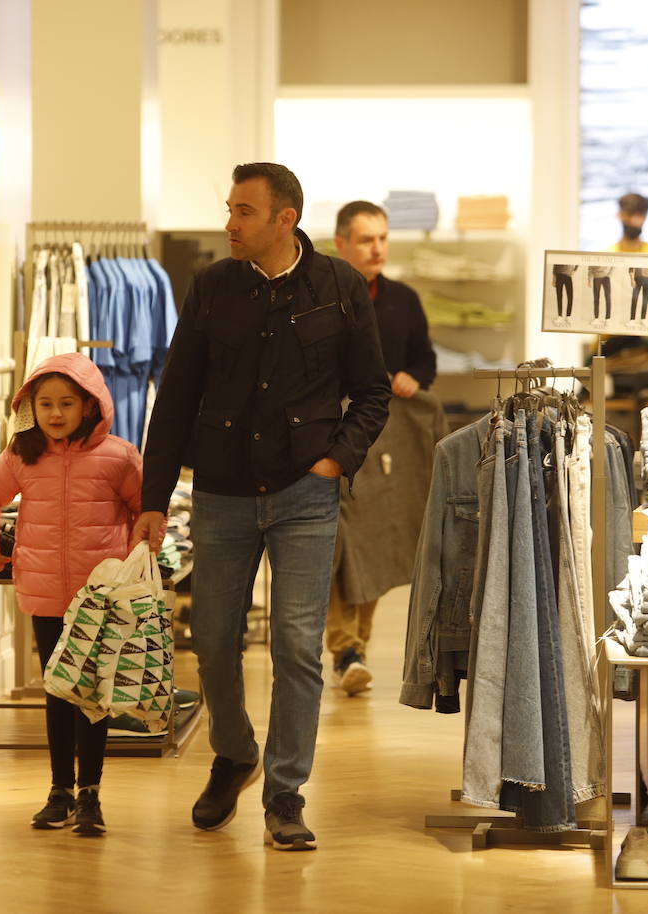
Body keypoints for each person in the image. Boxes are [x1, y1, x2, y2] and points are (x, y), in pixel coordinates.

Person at [132, 163, 390, 851]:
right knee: (213, 641)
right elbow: (177, 393)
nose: (228, 222)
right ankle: (234, 752)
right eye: (229, 208)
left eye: (243, 211)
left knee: (298, 647)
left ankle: (285, 793)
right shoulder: (214, 287)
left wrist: (336, 459)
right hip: (219, 490)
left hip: (307, 493)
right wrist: (153, 498)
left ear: (285, 218)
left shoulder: (338, 286)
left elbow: (372, 392)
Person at [0, 352, 143, 837]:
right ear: (31, 408)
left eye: (67, 403)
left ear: (90, 405)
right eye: (46, 404)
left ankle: (90, 793)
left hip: (99, 598)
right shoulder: (22, 456)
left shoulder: (120, 457)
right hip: (44, 594)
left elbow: (147, 512)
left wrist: (135, 568)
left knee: (92, 696)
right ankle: (59, 790)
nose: (57, 413)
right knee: (59, 692)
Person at [325, 200, 437, 695]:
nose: (377, 248)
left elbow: (424, 358)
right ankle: (344, 646)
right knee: (334, 540)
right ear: (341, 243)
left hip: (382, 433)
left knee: (366, 536)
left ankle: (354, 648)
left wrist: (413, 377)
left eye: (383, 238)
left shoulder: (403, 300)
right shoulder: (321, 295)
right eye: (367, 239)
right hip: (327, 431)